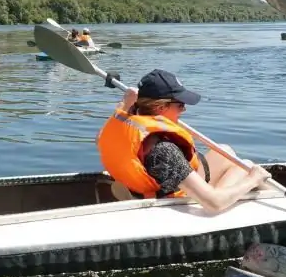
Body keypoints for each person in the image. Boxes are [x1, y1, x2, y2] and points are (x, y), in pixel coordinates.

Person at [96, 69, 270, 213]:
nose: (184, 109)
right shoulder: (164, 151)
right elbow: (213, 204)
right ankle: (265, 198)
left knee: (225, 151)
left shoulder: (126, 120)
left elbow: (102, 136)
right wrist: (253, 180)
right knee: (246, 167)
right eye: (180, 105)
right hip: (169, 197)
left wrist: (125, 104)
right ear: (161, 107)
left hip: (144, 183)